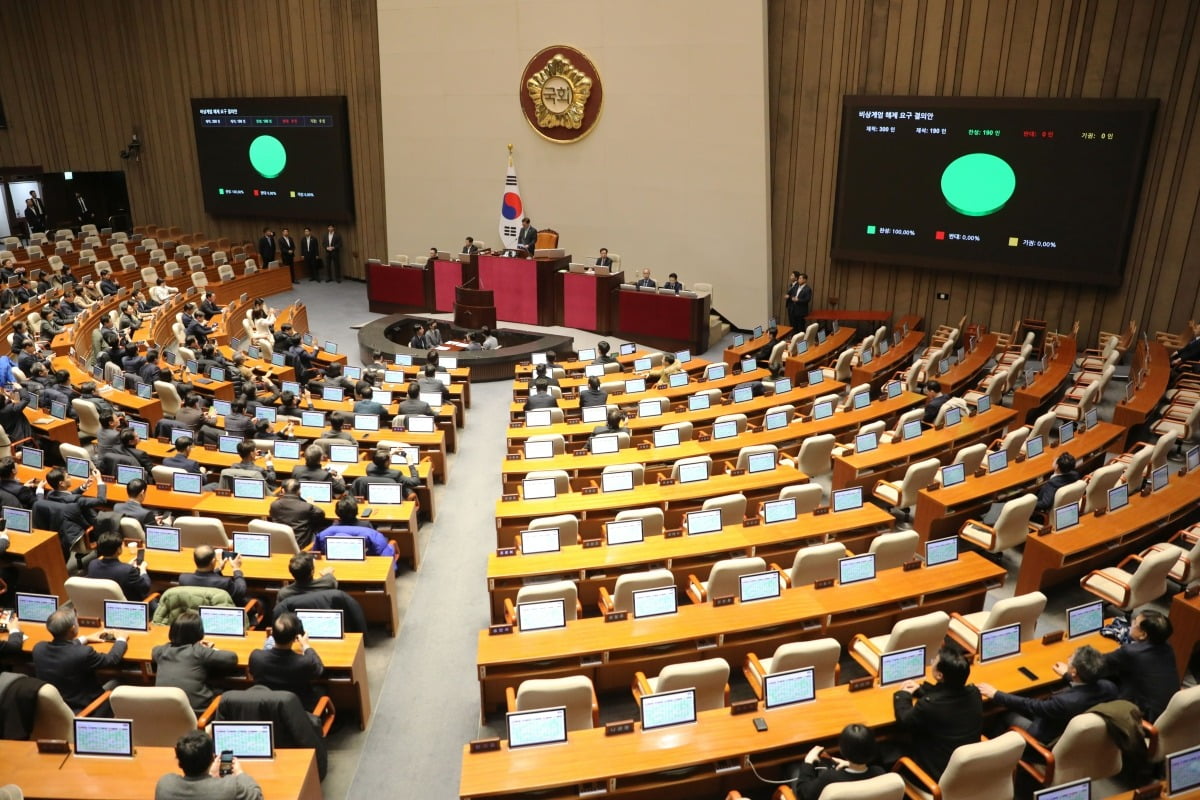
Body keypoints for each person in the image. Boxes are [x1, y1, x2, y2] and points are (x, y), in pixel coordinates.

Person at [978, 644, 1117, 744]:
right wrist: (1067, 676)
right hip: (1069, 727)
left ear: (1074, 671)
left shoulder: (1064, 702)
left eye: (1071, 658)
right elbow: (1085, 687)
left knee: (1005, 713)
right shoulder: (1109, 687)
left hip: (1046, 736)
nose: (1068, 659)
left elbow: (1032, 705)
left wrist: (995, 694)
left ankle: (996, 751)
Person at [890, 647, 983, 780]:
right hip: (969, 769)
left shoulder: (929, 705)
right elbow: (949, 695)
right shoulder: (974, 693)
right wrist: (922, 690)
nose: (932, 663)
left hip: (937, 776)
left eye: (934, 661)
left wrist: (902, 695)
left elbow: (904, 721)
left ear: (939, 675)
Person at [32, 607, 128, 714]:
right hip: (88, 708)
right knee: (119, 681)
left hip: (58, 708)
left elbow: (63, 648)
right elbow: (112, 660)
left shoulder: (38, 648)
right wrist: (121, 639)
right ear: (73, 628)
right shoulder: (83, 653)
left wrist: (84, 639)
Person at [150, 610, 239, 716]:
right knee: (227, 689)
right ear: (199, 632)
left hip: (165, 711)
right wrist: (210, 649)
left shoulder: (161, 651)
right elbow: (232, 658)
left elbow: (154, 650)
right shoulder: (198, 651)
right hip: (197, 712)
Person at [1101, 609, 1179, 721]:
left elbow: (1099, 663)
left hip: (1145, 717)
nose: (1131, 623)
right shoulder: (1167, 647)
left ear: (1143, 635)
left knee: (1102, 683)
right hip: (1168, 712)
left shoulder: (1131, 653)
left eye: (1135, 623)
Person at [155, 729, 263, 800]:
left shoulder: (164, 785)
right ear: (212, 758)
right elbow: (258, 796)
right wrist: (240, 773)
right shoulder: (230, 787)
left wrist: (210, 775)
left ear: (179, 762)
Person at [248, 611, 324, 707]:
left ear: (272, 633)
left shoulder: (256, 657)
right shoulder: (304, 662)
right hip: (297, 708)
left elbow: (251, 674)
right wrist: (306, 646)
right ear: (295, 638)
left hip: (266, 706)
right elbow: (319, 669)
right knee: (321, 689)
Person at [791, 723, 884, 800]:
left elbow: (804, 794)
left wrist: (808, 763)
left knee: (792, 769)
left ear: (842, 750)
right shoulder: (880, 773)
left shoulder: (830, 779)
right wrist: (849, 764)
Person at [41, 465, 108, 559]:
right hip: (85, 533)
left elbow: (66, 496)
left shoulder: (50, 494)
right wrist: (99, 480)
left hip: (65, 532)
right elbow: (101, 500)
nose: (70, 477)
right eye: (68, 477)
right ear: (62, 483)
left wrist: (83, 487)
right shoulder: (77, 500)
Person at [314, 496, 396, 559]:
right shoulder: (366, 526)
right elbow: (376, 546)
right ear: (356, 510)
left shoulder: (329, 531)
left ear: (337, 512)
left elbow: (318, 552)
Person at [87, 530, 152, 601]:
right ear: (118, 550)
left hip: (103, 604)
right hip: (130, 606)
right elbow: (145, 587)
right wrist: (143, 569)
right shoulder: (128, 571)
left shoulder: (92, 564)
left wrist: (126, 566)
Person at [179, 545, 247, 606]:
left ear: (194, 560)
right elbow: (241, 591)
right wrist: (236, 569)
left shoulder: (183, 579)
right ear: (213, 561)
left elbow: (205, 578)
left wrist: (219, 568)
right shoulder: (224, 583)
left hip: (194, 615)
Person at [269, 480, 327, 549]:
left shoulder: (274, 505)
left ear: (283, 491)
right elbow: (321, 514)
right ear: (299, 491)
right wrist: (310, 504)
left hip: (279, 543)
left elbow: (271, 514)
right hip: (301, 545)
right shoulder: (306, 506)